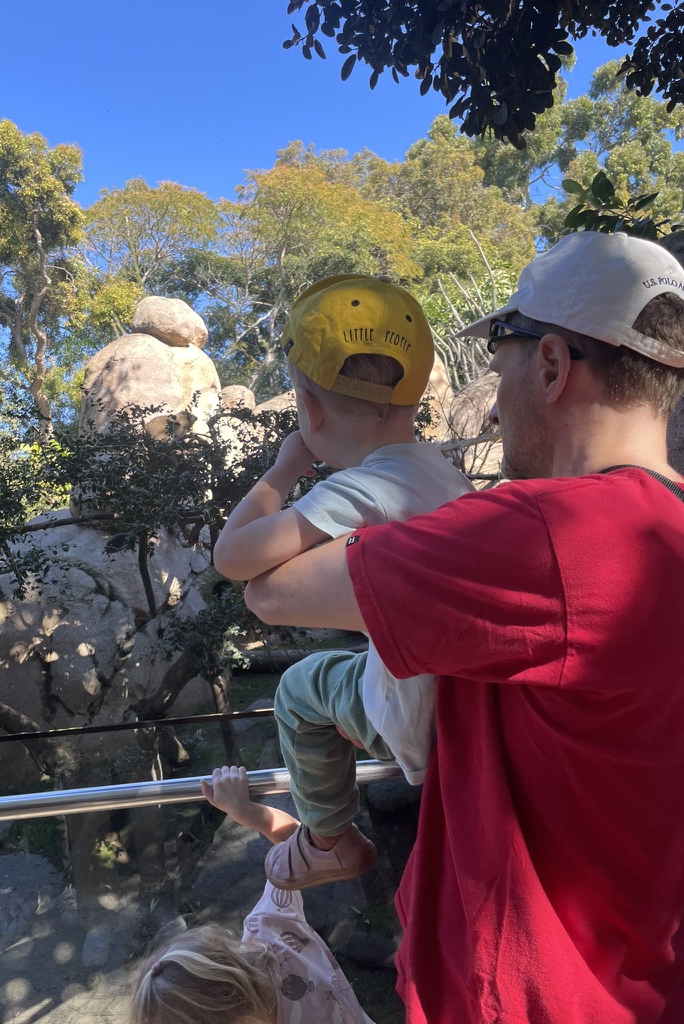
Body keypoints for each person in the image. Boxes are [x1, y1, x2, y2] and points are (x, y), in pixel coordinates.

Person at [243, 231, 684, 1024]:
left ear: (549, 364)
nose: (494, 378)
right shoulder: (670, 526)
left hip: (526, 995)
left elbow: (267, 591)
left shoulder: (544, 533)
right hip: (646, 979)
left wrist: (322, 472)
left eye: (501, 354)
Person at [214, 274, 472, 890]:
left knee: (302, 685)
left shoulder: (362, 488)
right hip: (466, 710)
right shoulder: (445, 476)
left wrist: (283, 469)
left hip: (410, 718)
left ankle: (328, 837)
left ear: (309, 409)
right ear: (416, 400)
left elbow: (234, 558)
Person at [129, 765, 376, 1024]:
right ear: (220, 949)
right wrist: (246, 811)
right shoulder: (268, 929)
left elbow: (296, 849)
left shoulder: (268, 927)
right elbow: (298, 848)